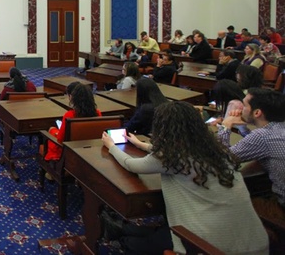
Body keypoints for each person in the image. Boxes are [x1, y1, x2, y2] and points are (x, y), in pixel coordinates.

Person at [101, 101, 269, 255]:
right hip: (256, 244)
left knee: (138, 245)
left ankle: (121, 235)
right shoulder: (217, 150)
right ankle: (121, 229)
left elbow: (131, 164)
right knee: (160, 233)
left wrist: (111, 146)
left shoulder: (170, 157)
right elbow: (176, 155)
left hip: (210, 248)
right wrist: (140, 144)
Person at [219, 88, 285, 221]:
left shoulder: (263, 136)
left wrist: (226, 125)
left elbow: (222, 159)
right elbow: (260, 146)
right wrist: (242, 127)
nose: (241, 108)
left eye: (244, 105)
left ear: (257, 112)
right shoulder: (279, 128)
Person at [42, 82, 100, 161]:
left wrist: (53, 130)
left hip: (71, 151)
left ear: (72, 98)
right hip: (90, 149)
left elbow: (60, 139)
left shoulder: (69, 115)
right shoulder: (98, 113)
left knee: (51, 130)